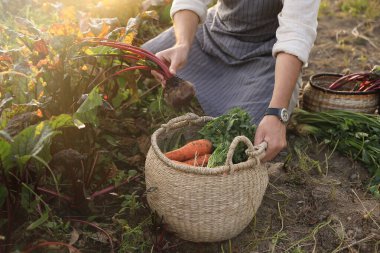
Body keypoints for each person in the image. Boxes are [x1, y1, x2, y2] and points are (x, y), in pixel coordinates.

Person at [142, 0, 320, 161]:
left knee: (244, 134)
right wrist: (182, 44)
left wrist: (277, 113)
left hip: (266, 56)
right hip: (214, 34)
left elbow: (296, 35)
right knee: (149, 59)